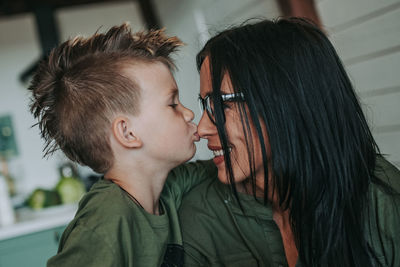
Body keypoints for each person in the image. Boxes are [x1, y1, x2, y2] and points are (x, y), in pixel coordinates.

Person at [179, 18, 400, 267]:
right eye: (206, 105)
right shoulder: (204, 217)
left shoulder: (380, 200)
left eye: (221, 105)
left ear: (283, 103)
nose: (202, 128)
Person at [29, 23, 216, 267]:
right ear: (128, 133)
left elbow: (220, 168)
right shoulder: (104, 222)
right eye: (172, 105)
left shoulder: (169, 187)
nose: (189, 113)